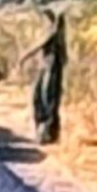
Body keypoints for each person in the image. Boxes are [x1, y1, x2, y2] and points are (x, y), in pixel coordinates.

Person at [20, 10, 67, 145]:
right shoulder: (50, 31)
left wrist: (24, 56)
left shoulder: (53, 32)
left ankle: (48, 133)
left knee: (48, 99)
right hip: (45, 67)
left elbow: (41, 43)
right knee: (38, 97)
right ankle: (45, 132)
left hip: (52, 67)